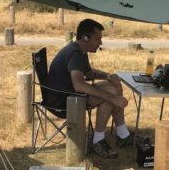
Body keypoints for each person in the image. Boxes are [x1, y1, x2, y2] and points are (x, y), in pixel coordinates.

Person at [46, 18, 132, 158]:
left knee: (113, 85)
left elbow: (89, 73)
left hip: (68, 95)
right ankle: (99, 140)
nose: (100, 43)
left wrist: (107, 76)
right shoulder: (75, 54)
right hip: (63, 102)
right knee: (109, 96)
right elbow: (79, 85)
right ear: (85, 38)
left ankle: (122, 134)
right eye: (97, 39)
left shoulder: (80, 50)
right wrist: (113, 98)